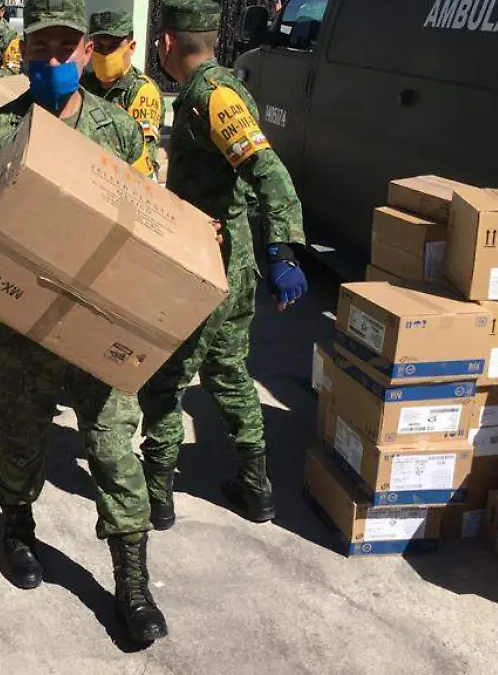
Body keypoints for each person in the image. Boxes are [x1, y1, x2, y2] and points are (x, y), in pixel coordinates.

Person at [0, 0, 170, 645]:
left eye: (64, 49)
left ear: (87, 51)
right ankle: (17, 530)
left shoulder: (119, 130)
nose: (52, 61)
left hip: (99, 323)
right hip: (21, 322)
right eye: (40, 50)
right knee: (22, 434)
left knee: (112, 447)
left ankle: (132, 582)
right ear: (23, 52)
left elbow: (152, 217)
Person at [140, 0, 307, 530]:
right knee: (229, 371)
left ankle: (157, 494)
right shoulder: (218, 88)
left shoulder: (211, 96)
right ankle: (256, 489)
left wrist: (282, 248)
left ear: (166, 42)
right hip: (229, 261)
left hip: (204, 261)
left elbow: (269, 173)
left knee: (166, 376)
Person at [81, 9, 164, 179]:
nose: (105, 54)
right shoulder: (83, 83)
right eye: (99, 47)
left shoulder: (141, 91)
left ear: (131, 47)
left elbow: (142, 154)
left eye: (113, 47)